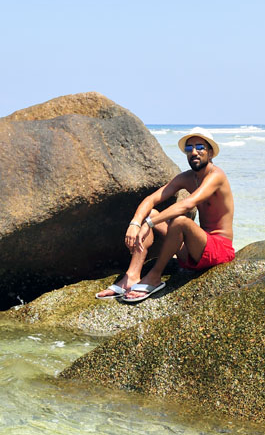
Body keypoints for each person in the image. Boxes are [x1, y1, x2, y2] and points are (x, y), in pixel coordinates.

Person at [95, 127, 235, 303]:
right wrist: (136, 222)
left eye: (200, 147)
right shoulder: (187, 178)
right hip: (195, 250)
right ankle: (132, 276)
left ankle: (154, 276)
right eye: (189, 148)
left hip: (219, 249)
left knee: (180, 221)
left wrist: (150, 223)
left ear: (211, 152)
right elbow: (151, 199)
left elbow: (187, 204)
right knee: (151, 213)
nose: (194, 152)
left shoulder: (217, 176)